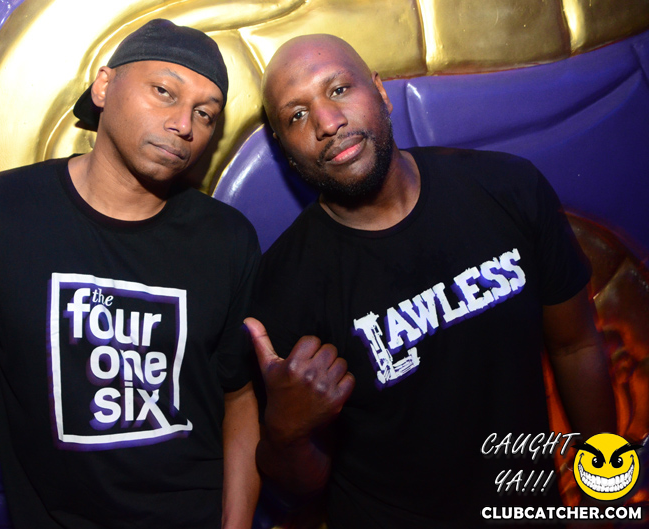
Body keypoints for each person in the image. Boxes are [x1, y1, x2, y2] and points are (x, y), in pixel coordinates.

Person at [0, 19, 261, 529]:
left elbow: (239, 397)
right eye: (164, 91)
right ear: (104, 85)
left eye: (205, 113)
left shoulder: (227, 239)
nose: (184, 124)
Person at [245, 34, 617, 528]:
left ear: (380, 91)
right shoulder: (283, 289)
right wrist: (285, 431)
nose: (328, 122)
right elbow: (300, 489)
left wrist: (608, 493)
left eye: (339, 89)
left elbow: (576, 345)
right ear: (285, 150)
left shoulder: (508, 189)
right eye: (296, 115)